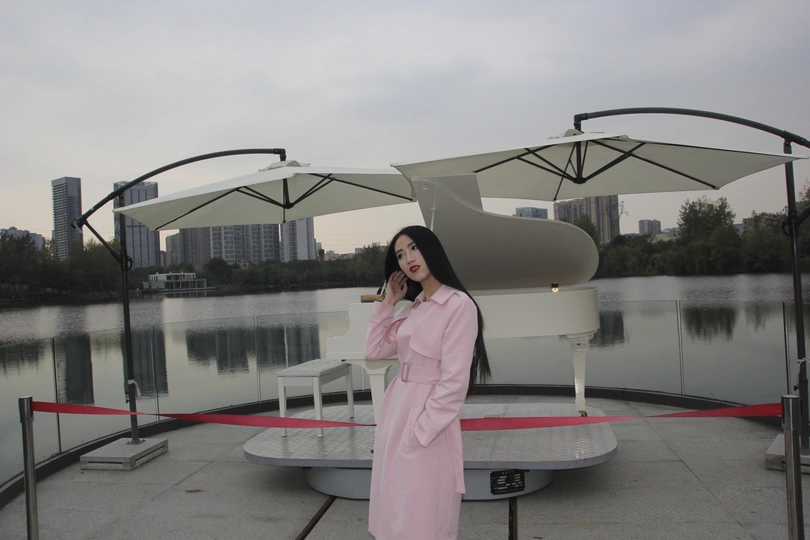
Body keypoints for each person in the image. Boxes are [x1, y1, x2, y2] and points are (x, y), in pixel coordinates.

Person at [365, 225, 491, 540]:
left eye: (414, 248)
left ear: (431, 249)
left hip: (425, 419)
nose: (408, 258)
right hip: (397, 410)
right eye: (400, 255)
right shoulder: (416, 308)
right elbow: (374, 350)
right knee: (396, 501)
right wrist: (389, 301)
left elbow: (454, 381)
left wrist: (421, 431)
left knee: (422, 506)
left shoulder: (458, 305)